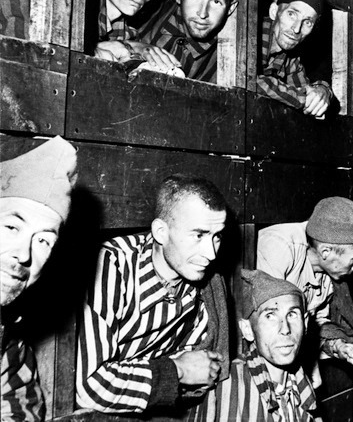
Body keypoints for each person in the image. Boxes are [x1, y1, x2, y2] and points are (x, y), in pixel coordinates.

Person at [76, 175, 230, 415]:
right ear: (160, 232)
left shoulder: (202, 281)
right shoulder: (112, 265)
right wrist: (176, 369)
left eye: (217, 236)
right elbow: (90, 387)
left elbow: (199, 366)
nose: (210, 254)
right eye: (198, 235)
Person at [1, 136, 77, 422]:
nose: (24, 254)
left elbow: (17, 407)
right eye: (11, 227)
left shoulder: (7, 340)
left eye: (44, 241)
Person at [257, 197, 353, 372]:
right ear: (325, 251)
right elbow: (268, 325)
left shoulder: (328, 276)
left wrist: (339, 347)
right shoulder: (281, 248)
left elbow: (317, 326)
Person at [216, 269, 321, 420]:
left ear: (305, 323)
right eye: (270, 316)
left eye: (292, 315)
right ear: (247, 330)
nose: (285, 329)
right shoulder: (231, 385)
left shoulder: (301, 384)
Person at [136, 0, 239, 83]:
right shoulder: (147, 13)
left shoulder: (227, 60)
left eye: (216, 2)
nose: (202, 13)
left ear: (230, 8)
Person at [257, 0, 333, 118]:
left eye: (307, 22)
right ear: (274, 12)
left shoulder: (291, 57)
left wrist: (323, 91)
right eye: (291, 14)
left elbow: (307, 88)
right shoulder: (251, 32)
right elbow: (250, 81)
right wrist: (302, 99)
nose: (296, 29)